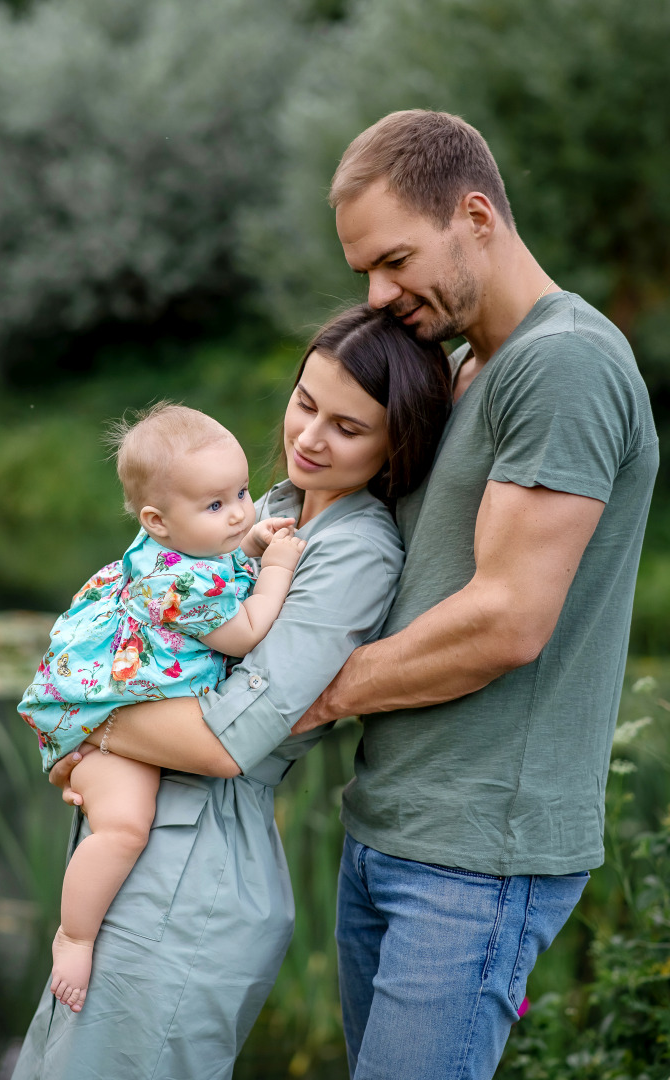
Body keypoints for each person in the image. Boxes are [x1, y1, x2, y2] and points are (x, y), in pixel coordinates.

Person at [286, 109, 658, 1078]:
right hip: (395, 827)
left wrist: (310, 693)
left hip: (476, 855)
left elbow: (508, 620)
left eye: (396, 258)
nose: (377, 293)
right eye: (363, 268)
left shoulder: (563, 362)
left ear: (476, 214)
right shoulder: (463, 368)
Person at [11, 304, 450, 1080]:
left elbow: (227, 743)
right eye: (306, 405)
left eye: (348, 428)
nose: (310, 438)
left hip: (193, 880)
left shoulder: (354, 552)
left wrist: (83, 725)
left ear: (395, 442)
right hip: (142, 849)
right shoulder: (268, 509)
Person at [18, 403, 306, 1012]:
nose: (237, 512)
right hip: (101, 712)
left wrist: (249, 543)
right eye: (215, 505)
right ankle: (75, 934)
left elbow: (225, 560)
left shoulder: (187, 543)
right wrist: (276, 567)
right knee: (124, 827)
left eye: (242, 493)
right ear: (157, 521)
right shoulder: (177, 580)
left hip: (123, 698)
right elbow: (245, 630)